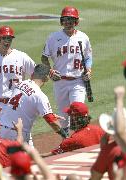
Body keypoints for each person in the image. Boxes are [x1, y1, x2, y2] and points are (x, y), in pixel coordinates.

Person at [41, 6, 93, 134]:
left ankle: (79, 138)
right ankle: (66, 141)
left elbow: (88, 58)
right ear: (61, 21)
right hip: (60, 82)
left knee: (78, 111)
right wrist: (50, 71)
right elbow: (44, 58)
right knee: (63, 117)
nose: (68, 22)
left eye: (71, 19)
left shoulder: (83, 37)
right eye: (65, 19)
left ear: (76, 22)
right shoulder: (53, 37)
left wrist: (89, 70)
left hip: (78, 81)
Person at [0, 64, 68, 145]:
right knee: (26, 157)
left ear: (33, 74)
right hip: (17, 133)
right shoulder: (40, 96)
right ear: (46, 78)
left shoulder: (21, 83)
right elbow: (51, 120)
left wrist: (49, 114)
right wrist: (65, 136)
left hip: (2, 128)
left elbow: (24, 105)